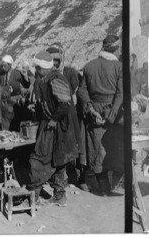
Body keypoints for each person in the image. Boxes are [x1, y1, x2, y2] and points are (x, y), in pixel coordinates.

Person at [26, 51, 78, 207]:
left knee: (38, 158)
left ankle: (33, 197)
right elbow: (51, 102)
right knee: (58, 161)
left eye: (37, 67)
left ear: (43, 68)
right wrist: (37, 106)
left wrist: (54, 120)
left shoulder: (55, 79)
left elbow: (64, 104)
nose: (35, 70)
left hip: (57, 127)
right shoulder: (46, 79)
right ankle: (59, 196)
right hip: (52, 124)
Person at [77, 35, 124, 195]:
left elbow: (81, 91)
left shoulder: (89, 66)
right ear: (116, 49)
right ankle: (115, 186)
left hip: (94, 115)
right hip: (114, 115)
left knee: (97, 151)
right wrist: (112, 114)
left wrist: (91, 109)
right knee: (115, 151)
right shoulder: (119, 67)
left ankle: (104, 189)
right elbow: (120, 93)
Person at [46, 45, 84, 188]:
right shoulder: (48, 75)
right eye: (52, 60)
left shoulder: (70, 72)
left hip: (69, 114)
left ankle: (79, 177)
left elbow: (75, 93)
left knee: (73, 145)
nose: (55, 62)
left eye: (57, 59)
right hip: (58, 115)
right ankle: (61, 179)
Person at [0, 55, 31, 131]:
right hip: (4, 104)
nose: (3, 67)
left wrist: (25, 76)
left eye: (5, 65)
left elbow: (26, 84)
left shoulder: (17, 73)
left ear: (10, 65)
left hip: (14, 103)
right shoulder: (1, 74)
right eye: (2, 65)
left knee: (14, 123)